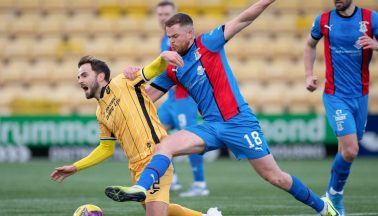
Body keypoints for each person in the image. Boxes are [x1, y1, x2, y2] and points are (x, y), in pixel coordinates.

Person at [106, 0, 340, 215]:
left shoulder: (209, 42)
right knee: (164, 146)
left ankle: (322, 206)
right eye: (169, 37)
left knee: (274, 177)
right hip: (210, 127)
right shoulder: (171, 68)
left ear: (190, 34)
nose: (171, 42)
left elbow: (244, 18)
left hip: (239, 122)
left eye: (175, 36)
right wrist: (133, 79)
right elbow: (145, 98)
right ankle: (140, 188)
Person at [50, 55, 222, 216]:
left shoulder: (122, 81)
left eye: (84, 75)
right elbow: (106, 148)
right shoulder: (100, 112)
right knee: (164, 210)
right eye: (79, 77)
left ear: (100, 76)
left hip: (154, 158)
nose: (80, 80)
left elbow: (152, 70)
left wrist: (163, 57)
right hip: (136, 168)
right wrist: (75, 167)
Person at [304, 0, 378, 215]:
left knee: (345, 150)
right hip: (335, 95)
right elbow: (310, 45)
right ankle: (335, 195)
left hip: (361, 96)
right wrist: (309, 74)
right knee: (351, 150)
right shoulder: (324, 20)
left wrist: (377, 46)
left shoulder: (371, 19)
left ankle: (331, 195)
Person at [155, 0, 209, 197]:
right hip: (170, 99)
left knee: (190, 141)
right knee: (155, 133)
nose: (163, 17)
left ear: (174, 14)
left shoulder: (183, 40)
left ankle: (200, 184)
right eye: (160, 14)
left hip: (183, 98)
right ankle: (172, 178)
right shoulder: (164, 39)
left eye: (166, 14)